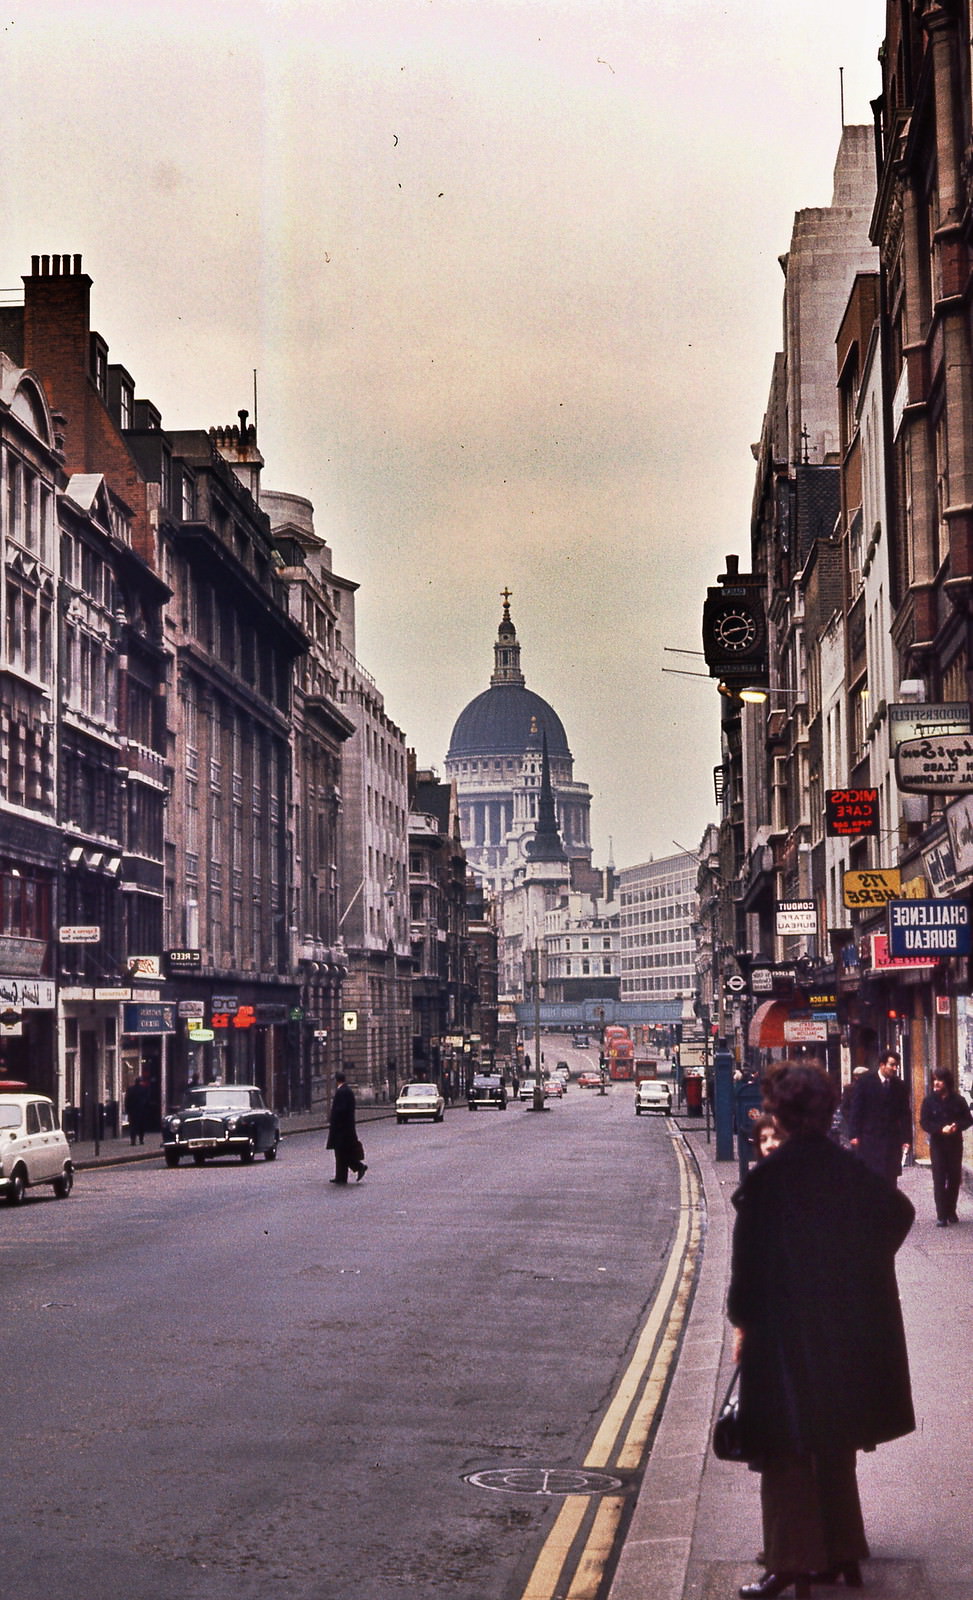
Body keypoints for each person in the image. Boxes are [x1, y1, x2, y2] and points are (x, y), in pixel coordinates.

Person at [728, 1063, 915, 1600]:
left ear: (780, 1113)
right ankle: (842, 1551)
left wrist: (743, 1324)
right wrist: (858, 1270)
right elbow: (897, 1214)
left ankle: (790, 1563)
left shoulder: (771, 1177)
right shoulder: (847, 1169)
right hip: (845, 1328)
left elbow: (750, 1266)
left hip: (784, 1332)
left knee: (785, 1447)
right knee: (835, 1439)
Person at [847, 1050, 911, 1185]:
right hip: (870, 1138)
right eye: (892, 1065)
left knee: (890, 1177)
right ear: (882, 1065)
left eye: (896, 1066)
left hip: (891, 1139)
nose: (895, 1068)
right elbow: (856, 1109)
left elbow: (905, 1113)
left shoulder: (900, 1086)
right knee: (872, 1176)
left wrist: (906, 1138)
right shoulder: (865, 1082)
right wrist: (854, 1134)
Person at [919, 1067, 972, 1226]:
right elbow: (924, 1122)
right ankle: (941, 1215)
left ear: (947, 1082)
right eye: (934, 1079)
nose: (936, 1083)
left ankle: (951, 1210)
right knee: (939, 1178)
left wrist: (957, 1126)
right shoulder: (929, 1101)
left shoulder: (958, 1100)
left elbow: (968, 1119)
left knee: (955, 1178)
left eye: (939, 1080)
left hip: (955, 1144)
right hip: (938, 1144)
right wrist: (939, 1129)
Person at [327, 1071, 367, 1184]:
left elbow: (342, 1110)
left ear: (336, 1080)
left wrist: (334, 1118)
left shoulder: (343, 1091)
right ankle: (341, 1176)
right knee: (341, 1153)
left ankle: (358, 1167)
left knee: (341, 1153)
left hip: (342, 1129)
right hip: (345, 1129)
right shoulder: (346, 1090)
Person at [124, 1071, 151, 1146]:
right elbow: (147, 1101)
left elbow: (127, 1100)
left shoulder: (130, 1089)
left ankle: (133, 1140)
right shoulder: (144, 1089)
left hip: (132, 1111)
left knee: (133, 1126)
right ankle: (141, 1140)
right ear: (141, 1082)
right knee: (141, 1126)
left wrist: (127, 1109)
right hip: (142, 1111)